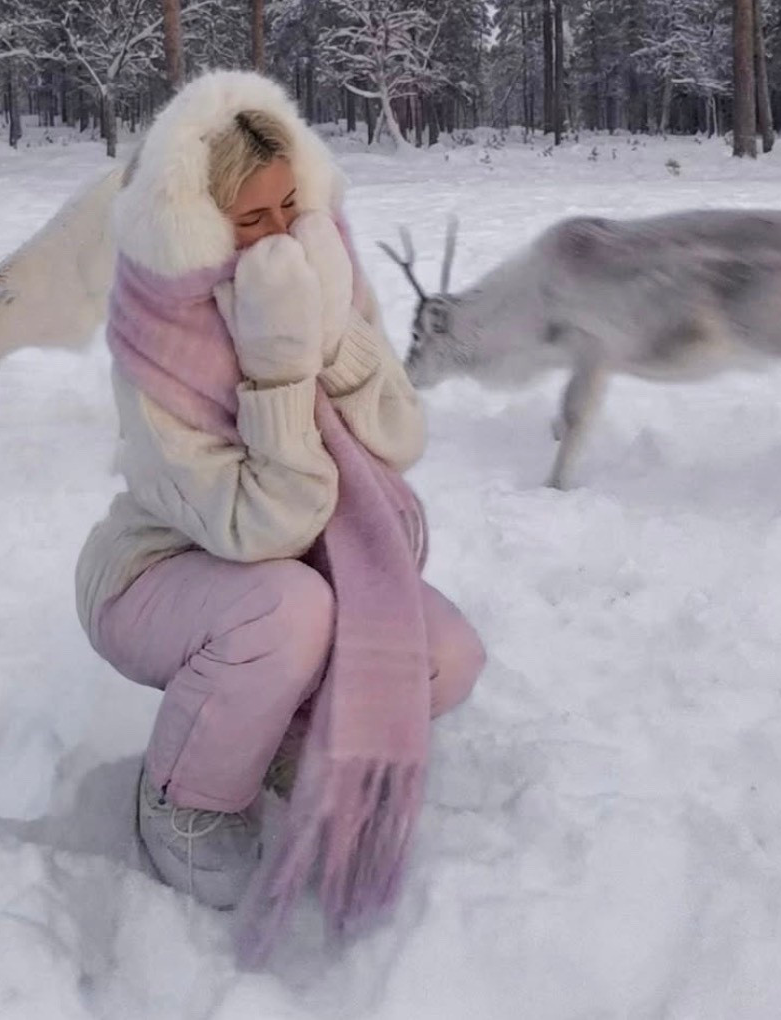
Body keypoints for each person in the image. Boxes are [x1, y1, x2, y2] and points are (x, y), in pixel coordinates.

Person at [75, 70, 484, 950]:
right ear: (198, 223)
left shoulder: (316, 268)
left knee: (443, 655)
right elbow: (263, 529)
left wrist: (330, 334)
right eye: (248, 222)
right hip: (156, 577)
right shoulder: (158, 336)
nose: (279, 242)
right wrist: (275, 370)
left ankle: (288, 737)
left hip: (304, 574)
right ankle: (186, 794)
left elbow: (398, 433)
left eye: (289, 209)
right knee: (288, 607)